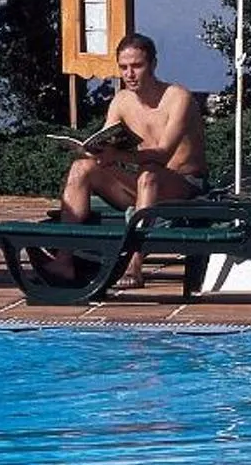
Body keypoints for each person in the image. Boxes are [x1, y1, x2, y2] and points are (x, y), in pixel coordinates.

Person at [57, 33, 206, 284]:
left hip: (183, 184)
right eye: (124, 68)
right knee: (81, 168)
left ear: (153, 65)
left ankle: (134, 263)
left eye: (137, 66)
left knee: (149, 176)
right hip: (141, 183)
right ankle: (63, 259)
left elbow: (163, 153)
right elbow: (105, 140)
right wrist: (95, 151)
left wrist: (118, 155)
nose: (129, 74)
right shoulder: (121, 101)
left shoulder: (177, 97)